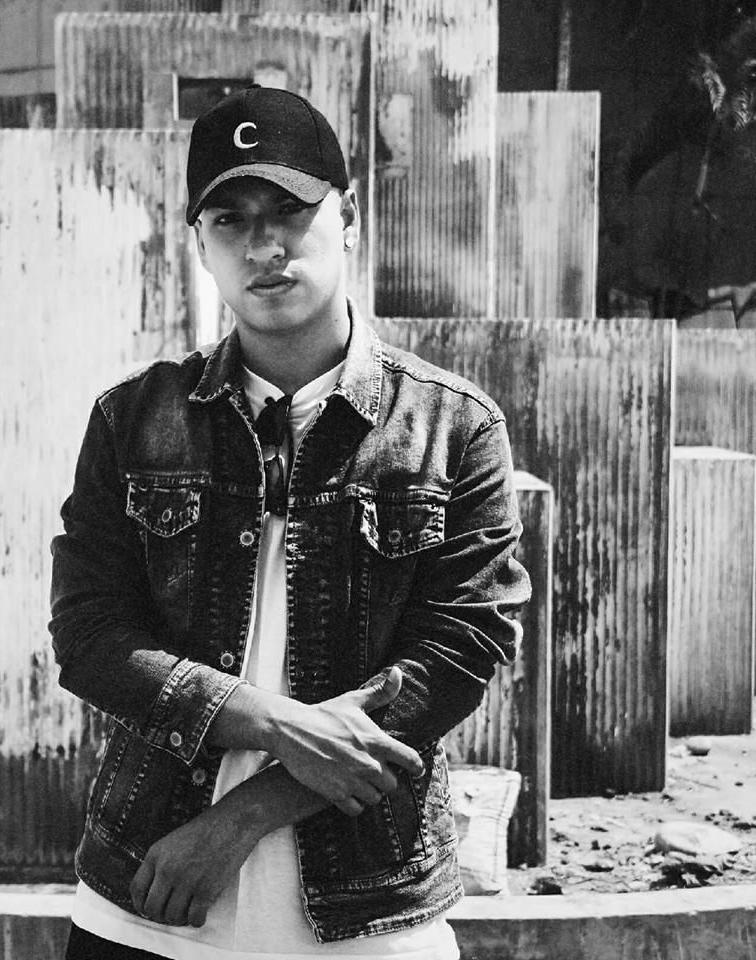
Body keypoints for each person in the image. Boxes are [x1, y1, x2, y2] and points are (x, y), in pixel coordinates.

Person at [50, 85, 530, 960]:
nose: (263, 246)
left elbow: (460, 652)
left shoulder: (453, 426)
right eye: (230, 220)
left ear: (349, 218)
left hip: (370, 911)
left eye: (290, 211)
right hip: (147, 895)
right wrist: (275, 723)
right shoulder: (134, 419)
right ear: (201, 244)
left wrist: (243, 816)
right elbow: (89, 637)